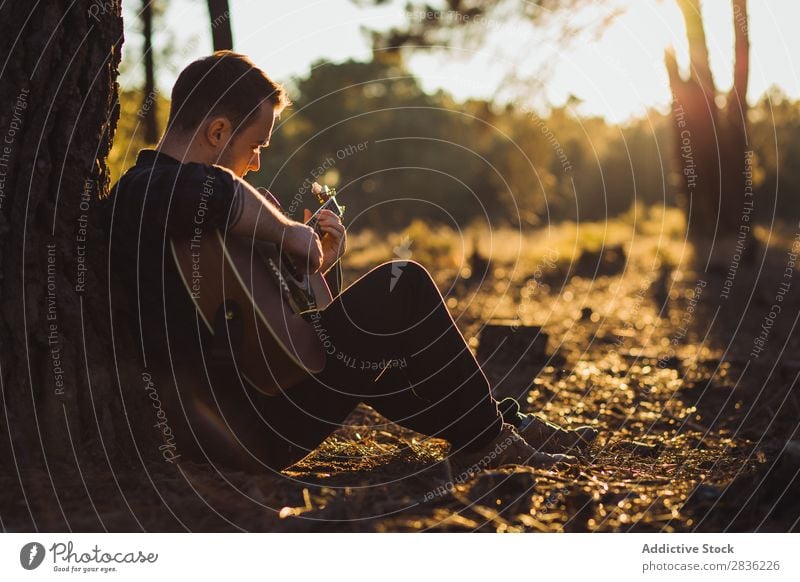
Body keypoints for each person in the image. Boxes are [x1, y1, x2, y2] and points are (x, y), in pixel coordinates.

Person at [103, 51, 596, 476]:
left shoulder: (202, 213)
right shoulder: (144, 190)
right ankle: (495, 440)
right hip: (245, 425)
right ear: (216, 131)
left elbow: (287, 327)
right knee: (403, 284)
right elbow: (214, 193)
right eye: (255, 146)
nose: (255, 164)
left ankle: (503, 427)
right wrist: (288, 232)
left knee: (387, 344)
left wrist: (318, 266)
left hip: (266, 399)